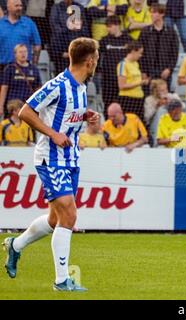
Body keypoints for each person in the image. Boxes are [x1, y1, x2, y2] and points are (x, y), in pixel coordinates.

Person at [3, 37, 100, 292]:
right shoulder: (57, 85)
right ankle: (61, 281)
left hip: (71, 158)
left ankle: (15, 245)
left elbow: (67, 117)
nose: (96, 62)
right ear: (89, 60)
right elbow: (25, 112)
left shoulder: (80, 87)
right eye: (96, 58)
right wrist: (53, 134)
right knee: (69, 214)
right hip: (51, 158)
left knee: (56, 220)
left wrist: (85, 117)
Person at [99, 15, 132, 112]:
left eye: (109, 26)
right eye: (107, 26)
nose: (107, 29)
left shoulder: (129, 40)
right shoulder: (104, 40)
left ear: (117, 25)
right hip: (108, 80)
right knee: (108, 105)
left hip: (123, 79)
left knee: (124, 105)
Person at [0, 44, 42, 119]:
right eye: (20, 52)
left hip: (28, 107)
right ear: (15, 54)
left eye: (25, 51)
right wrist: (1, 106)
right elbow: (4, 88)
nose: (23, 54)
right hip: (13, 107)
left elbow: (38, 89)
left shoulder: (34, 69)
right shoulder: (10, 68)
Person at [117, 41, 148, 121]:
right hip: (128, 99)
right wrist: (140, 82)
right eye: (140, 53)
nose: (141, 55)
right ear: (133, 51)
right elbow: (122, 86)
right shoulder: (123, 64)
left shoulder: (136, 64)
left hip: (139, 98)